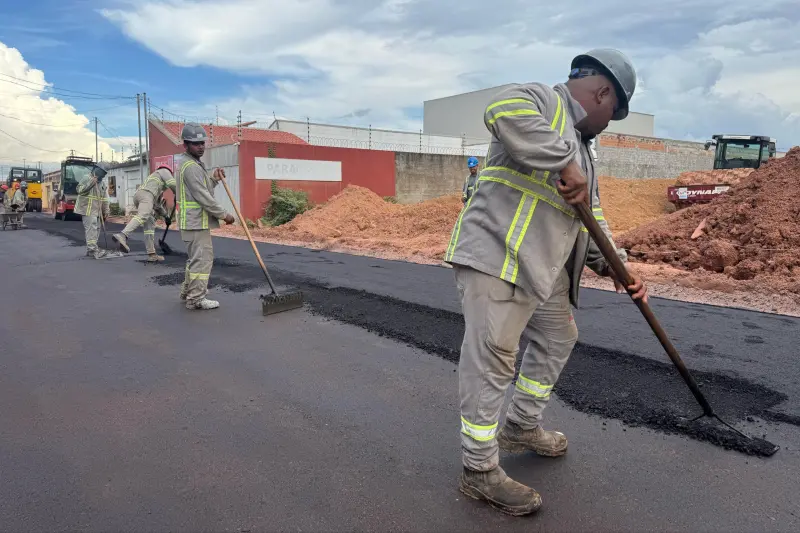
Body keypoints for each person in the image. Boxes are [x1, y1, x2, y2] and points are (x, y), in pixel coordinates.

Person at [444, 49, 648, 516]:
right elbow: (501, 109)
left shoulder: (584, 153)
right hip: (497, 258)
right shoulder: (543, 100)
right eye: (613, 115)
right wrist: (562, 160)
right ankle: (479, 469)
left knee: (558, 336)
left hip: (542, 270)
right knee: (493, 358)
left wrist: (620, 269)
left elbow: (591, 219)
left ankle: (521, 425)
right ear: (603, 93)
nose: (606, 125)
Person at [174, 123, 235, 310]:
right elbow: (203, 196)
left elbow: (203, 188)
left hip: (192, 221)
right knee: (202, 260)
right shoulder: (190, 166)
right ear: (186, 144)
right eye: (196, 143)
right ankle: (196, 298)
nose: (201, 147)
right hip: (195, 222)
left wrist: (214, 178)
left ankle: (188, 291)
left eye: (202, 143)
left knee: (195, 259)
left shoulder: (191, 164)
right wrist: (224, 215)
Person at [113, 166, 177, 262]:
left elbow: (157, 206)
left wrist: (166, 216)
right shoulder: (164, 171)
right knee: (143, 215)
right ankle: (122, 235)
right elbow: (172, 184)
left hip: (140, 195)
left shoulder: (155, 183)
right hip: (146, 195)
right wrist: (179, 194)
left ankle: (152, 254)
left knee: (149, 224)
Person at [75, 163, 111, 259]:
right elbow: (79, 190)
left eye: (105, 173)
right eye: (103, 173)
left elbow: (105, 199)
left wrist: (106, 211)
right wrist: (91, 183)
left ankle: (92, 248)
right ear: (97, 170)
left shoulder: (102, 183)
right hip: (87, 209)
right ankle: (92, 250)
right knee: (91, 229)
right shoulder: (86, 178)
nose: (103, 175)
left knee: (97, 229)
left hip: (97, 211)